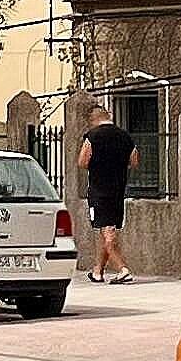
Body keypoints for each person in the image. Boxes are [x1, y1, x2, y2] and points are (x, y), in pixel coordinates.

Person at [78, 102, 139, 284]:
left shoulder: (92, 136)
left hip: (99, 191)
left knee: (107, 232)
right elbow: (134, 161)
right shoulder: (125, 136)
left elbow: (82, 161)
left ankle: (123, 269)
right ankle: (98, 271)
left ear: (92, 120)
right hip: (118, 190)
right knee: (107, 229)